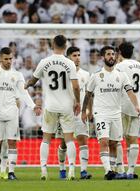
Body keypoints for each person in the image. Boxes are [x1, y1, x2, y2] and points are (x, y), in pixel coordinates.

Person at [25, 35, 81, 181]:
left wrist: (27, 85)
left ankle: (44, 170)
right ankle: (72, 171)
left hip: (50, 106)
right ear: (65, 45)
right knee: (69, 139)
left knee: (46, 139)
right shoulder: (69, 63)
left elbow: (33, 79)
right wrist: (78, 102)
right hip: (66, 106)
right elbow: (76, 86)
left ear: (53, 44)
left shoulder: (45, 62)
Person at [81, 45, 140, 180]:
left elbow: (130, 92)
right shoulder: (96, 76)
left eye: (113, 54)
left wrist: (137, 106)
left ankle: (113, 170)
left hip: (116, 114)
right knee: (104, 141)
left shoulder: (122, 75)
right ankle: (108, 171)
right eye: (108, 54)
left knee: (114, 143)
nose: (111, 57)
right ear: (103, 57)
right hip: (101, 114)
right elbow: (88, 94)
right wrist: (84, 111)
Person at [0, 47, 41, 180]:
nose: (9, 61)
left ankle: (11, 172)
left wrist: (33, 106)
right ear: (0, 59)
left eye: (10, 59)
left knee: (12, 142)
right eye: (6, 59)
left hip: (12, 114)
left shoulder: (17, 75)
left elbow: (23, 93)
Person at [55, 46, 92, 179]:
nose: (77, 58)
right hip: (65, 112)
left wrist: (89, 110)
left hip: (80, 112)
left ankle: (83, 171)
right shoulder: (62, 74)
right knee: (64, 143)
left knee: (83, 139)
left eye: (78, 55)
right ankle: (62, 168)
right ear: (68, 57)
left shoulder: (86, 74)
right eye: (74, 56)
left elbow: (89, 94)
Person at [114, 42, 140, 179]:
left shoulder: (118, 66)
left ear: (120, 52)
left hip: (122, 104)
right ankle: (131, 171)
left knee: (117, 138)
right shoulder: (139, 65)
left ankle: (120, 169)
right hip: (136, 105)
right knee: (133, 139)